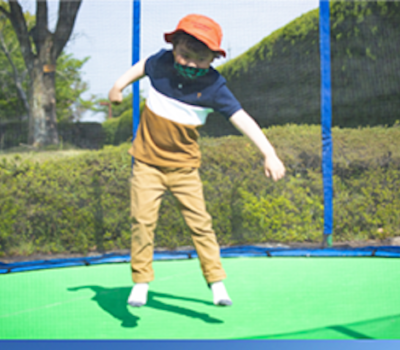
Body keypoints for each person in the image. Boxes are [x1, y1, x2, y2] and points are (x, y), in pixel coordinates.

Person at [109, 15, 286, 308]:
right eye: (185, 55)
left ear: (214, 58)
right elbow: (142, 67)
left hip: (184, 170)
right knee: (142, 222)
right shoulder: (162, 63)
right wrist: (118, 86)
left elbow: (242, 119)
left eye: (200, 59)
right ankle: (140, 283)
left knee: (201, 225)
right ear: (174, 45)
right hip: (146, 165)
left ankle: (216, 284)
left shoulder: (215, 87)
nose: (190, 63)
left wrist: (269, 153)